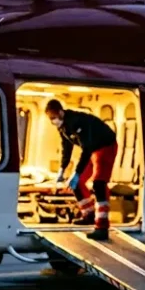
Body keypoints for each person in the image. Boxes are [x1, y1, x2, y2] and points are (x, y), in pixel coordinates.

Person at [46, 100, 118, 241]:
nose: (53, 121)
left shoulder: (77, 121)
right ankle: (89, 215)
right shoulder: (63, 127)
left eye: (54, 117)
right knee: (76, 184)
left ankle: (102, 227)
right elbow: (66, 148)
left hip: (105, 146)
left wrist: (77, 172)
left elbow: (87, 148)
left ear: (61, 112)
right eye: (50, 118)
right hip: (92, 150)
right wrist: (62, 169)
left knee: (99, 184)